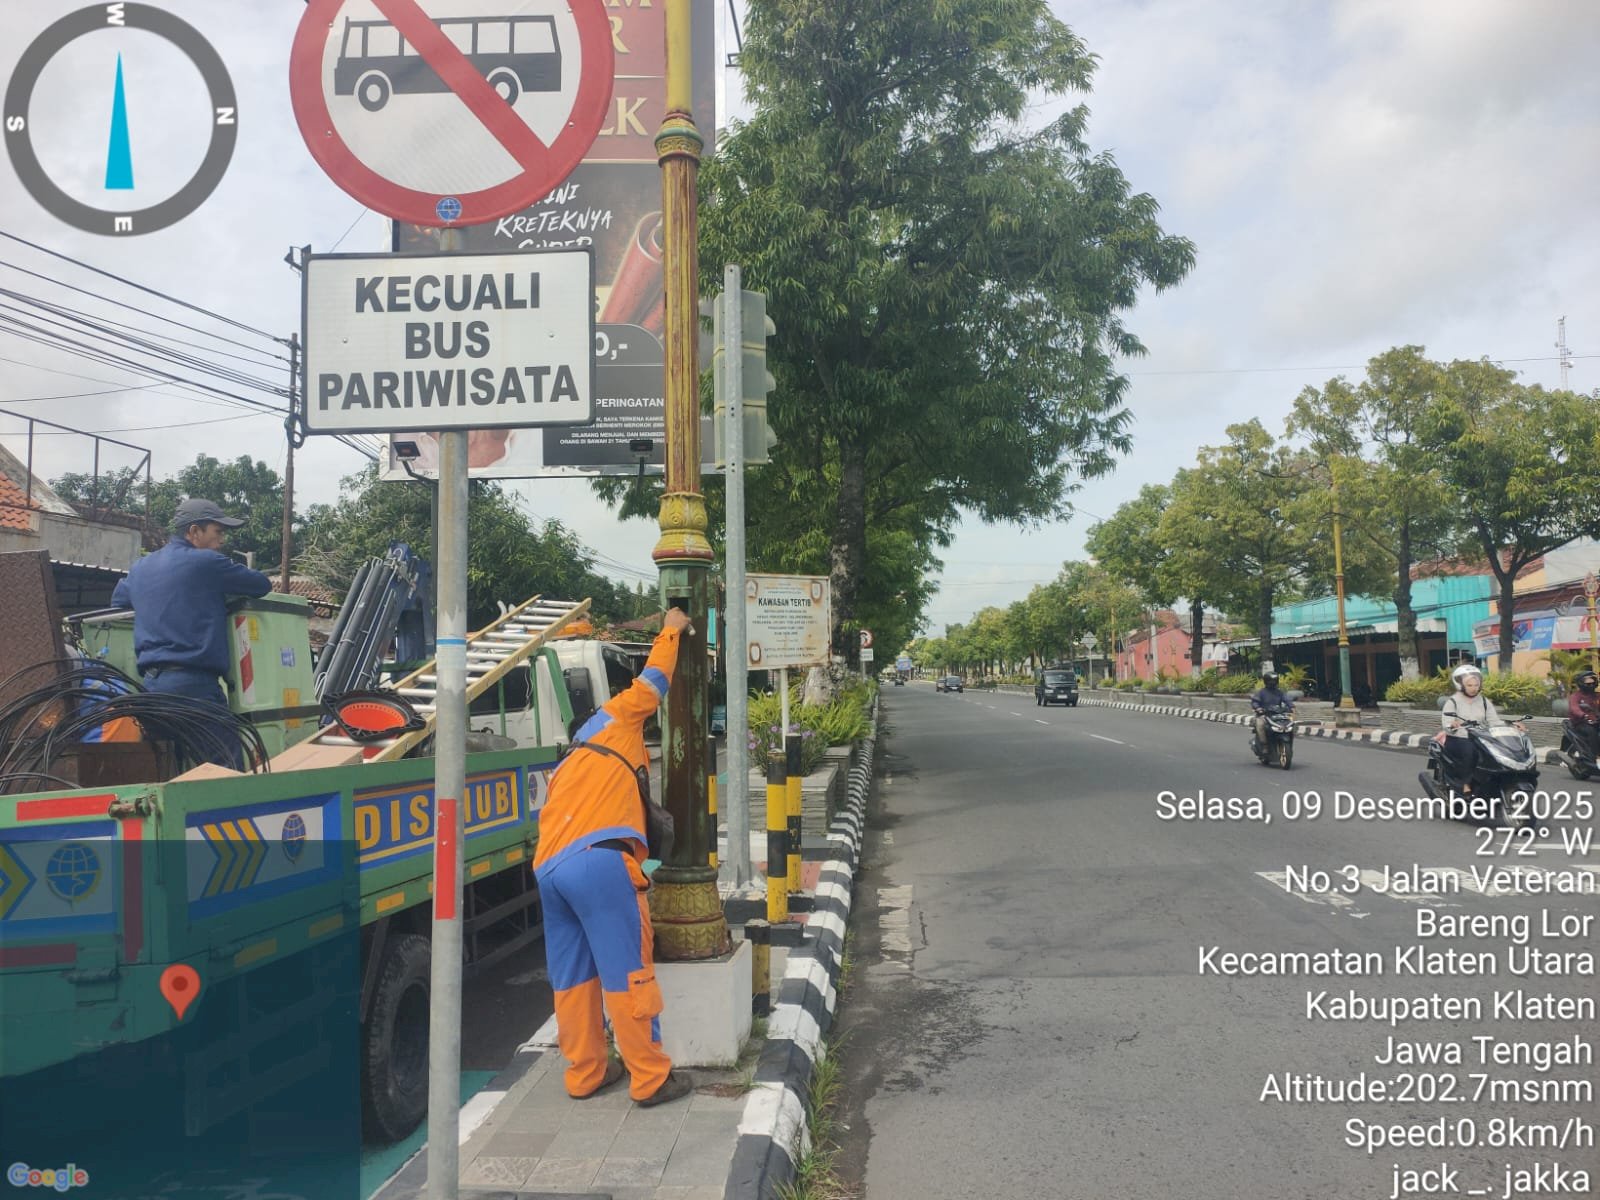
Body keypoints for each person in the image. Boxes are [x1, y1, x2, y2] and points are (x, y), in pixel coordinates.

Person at [533, 608, 694, 1106]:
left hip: (548, 870)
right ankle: (650, 1078)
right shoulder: (616, 720)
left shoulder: (567, 764)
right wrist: (672, 627)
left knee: (573, 979)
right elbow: (653, 680)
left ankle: (585, 1075)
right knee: (628, 971)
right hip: (598, 863)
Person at [110, 498, 271, 767]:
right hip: (194, 687)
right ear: (194, 531)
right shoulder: (207, 563)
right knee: (224, 772)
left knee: (168, 772)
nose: (221, 541)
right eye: (217, 532)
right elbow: (261, 584)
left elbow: (118, 602)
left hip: (151, 689)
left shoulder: (141, 568)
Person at [1435, 663, 1522, 790]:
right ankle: (1465, 783)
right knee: (1471, 751)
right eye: (1470, 685)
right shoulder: (1452, 702)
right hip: (1459, 738)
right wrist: (1452, 724)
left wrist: (1512, 726)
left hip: (1480, 737)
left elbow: (1494, 721)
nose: (1474, 688)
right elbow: (1447, 723)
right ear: (1461, 685)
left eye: (1476, 685)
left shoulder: (1484, 701)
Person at [1250, 671, 1293, 751]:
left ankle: (1289, 744)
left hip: (1277, 715)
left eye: (1274, 680)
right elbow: (1255, 702)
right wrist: (1258, 708)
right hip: (1264, 715)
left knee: (1290, 725)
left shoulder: (1280, 692)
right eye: (1270, 681)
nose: (1272, 683)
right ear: (1266, 681)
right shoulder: (1261, 692)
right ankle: (1264, 745)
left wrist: (1291, 706)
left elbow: (1287, 699)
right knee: (1260, 725)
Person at [1567, 669, 1600, 760]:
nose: (1591, 685)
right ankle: (1596, 756)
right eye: (1588, 683)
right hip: (1581, 723)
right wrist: (1583, 715)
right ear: (1581, 683)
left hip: (1596, 721)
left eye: (1592, 682)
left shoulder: (1597, 695)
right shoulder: (1575, 696)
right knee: (1592, 732)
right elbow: (1574, 708)